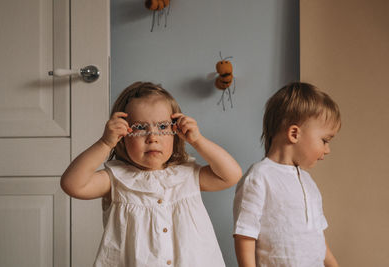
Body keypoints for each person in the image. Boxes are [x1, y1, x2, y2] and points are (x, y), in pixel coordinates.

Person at [60, 82, 242, 267]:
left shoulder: (187, 175)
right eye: (140, 127)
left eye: (163, 127)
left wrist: (198, 140)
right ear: (122, 136)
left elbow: (231, 175)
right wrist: (105, 143)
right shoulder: (117, 179)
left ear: (175, 132)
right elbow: (73, 184)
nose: (152, 137)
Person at [233, 82, 341, 267]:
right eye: (324, 140)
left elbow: (318, 237)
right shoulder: (259, 177)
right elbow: (245, 235)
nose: (328, 149)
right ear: (294, 133)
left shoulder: (308, 182)